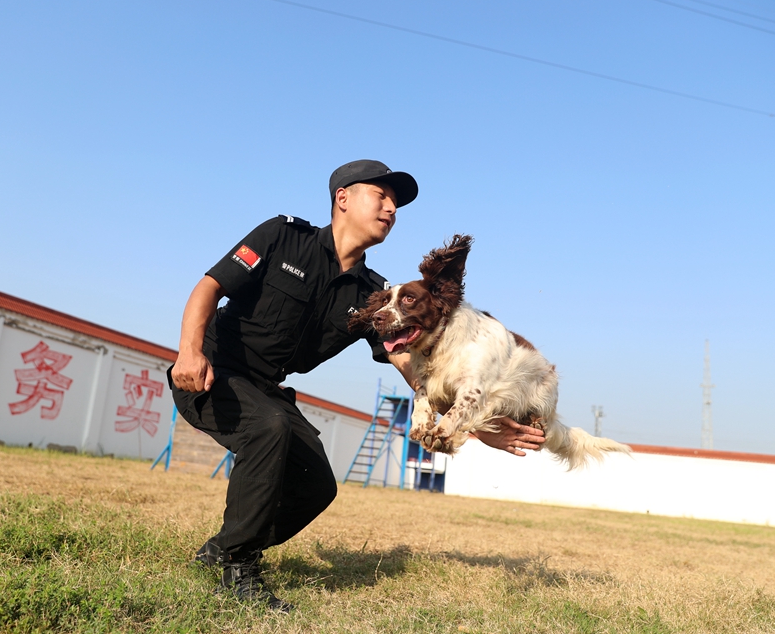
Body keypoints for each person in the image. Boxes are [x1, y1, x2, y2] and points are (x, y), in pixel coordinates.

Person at [169, 160, 546, 611]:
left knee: (316, 487)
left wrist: (470, 423)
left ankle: (220, 549)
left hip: (266, 389)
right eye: (381, 196)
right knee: (270, 427)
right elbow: (209, 287)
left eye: (396, 204)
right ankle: (238, 564)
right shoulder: (281, 235)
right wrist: (189, 352)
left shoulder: (372, 295)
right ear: (342, 198)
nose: (391, 209)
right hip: (212, 373)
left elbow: (407, 361)